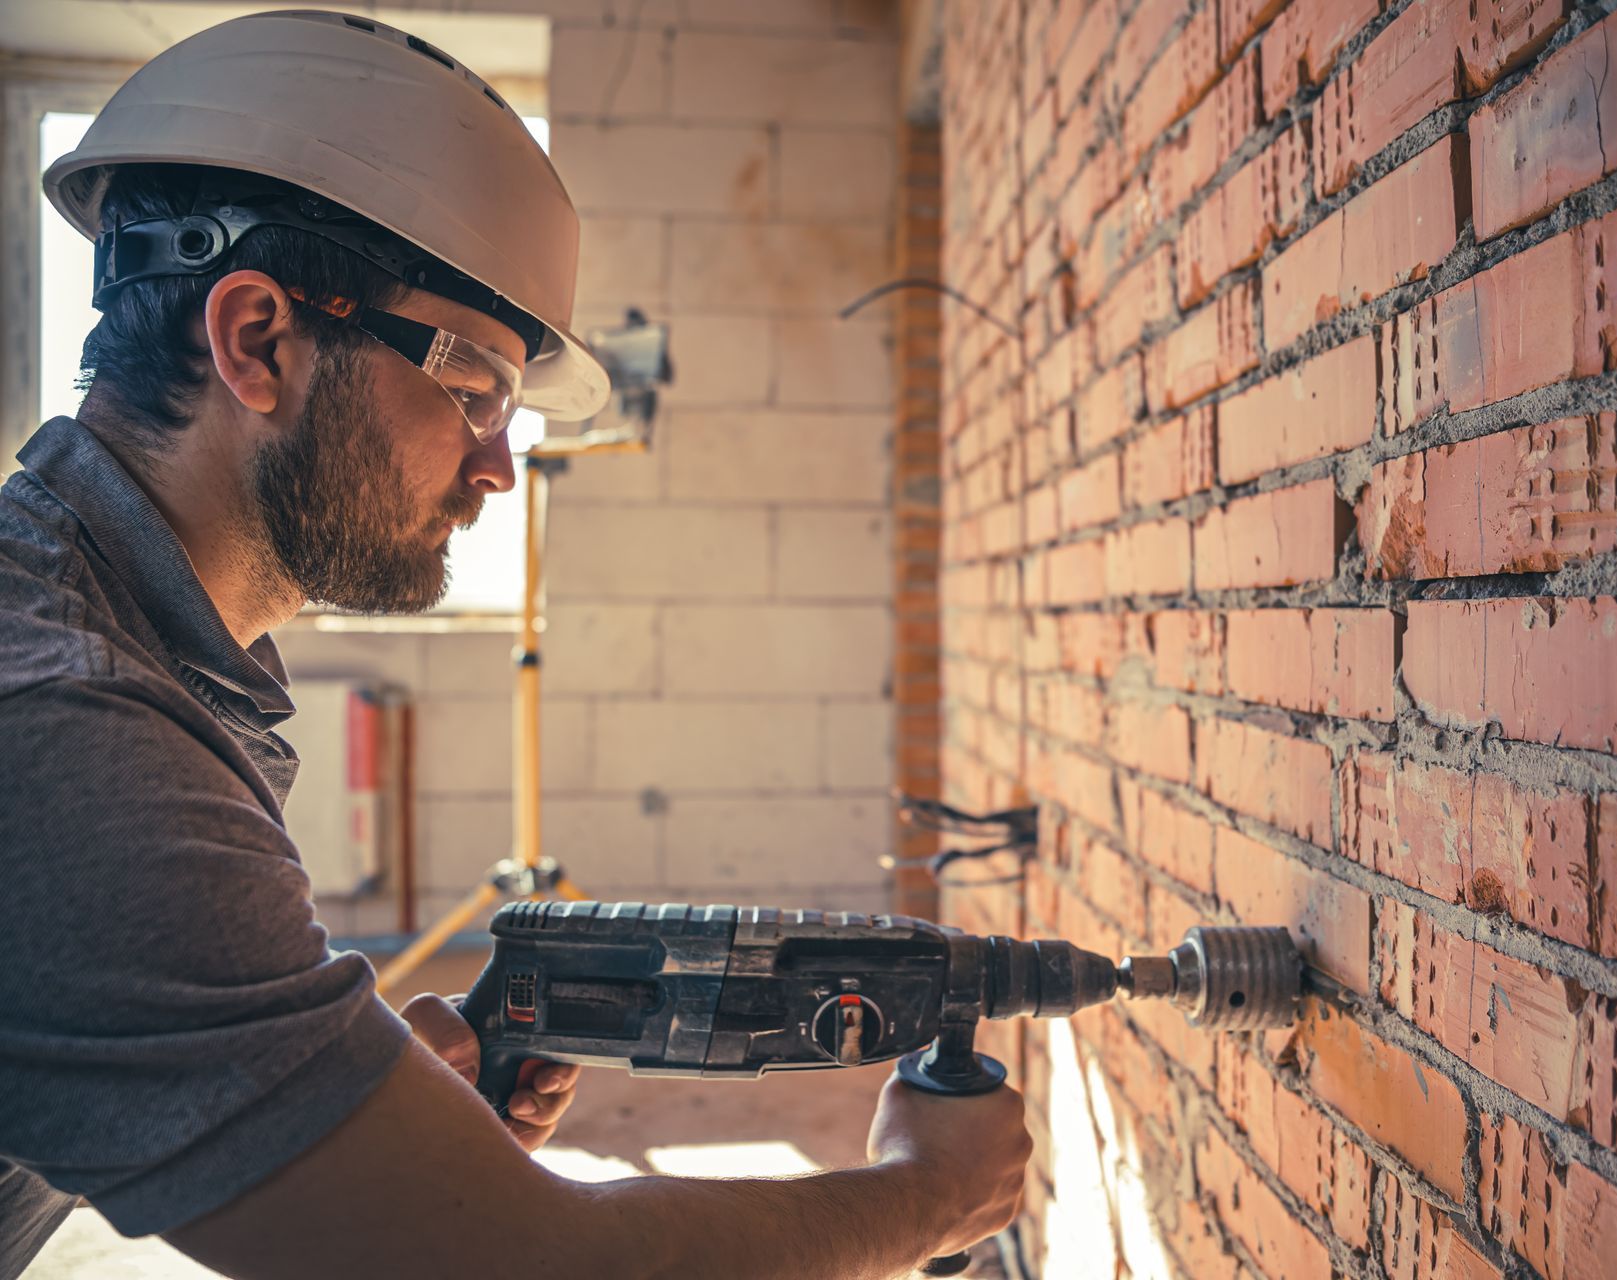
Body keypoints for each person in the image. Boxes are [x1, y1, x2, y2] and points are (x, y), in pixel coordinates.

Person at [0, 11, 1030, 1279]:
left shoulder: (154, 657)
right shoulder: (67, 724)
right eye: (477, 386)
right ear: (258, 339)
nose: (499, 463)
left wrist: (339, 1104)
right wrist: (927, 1196)